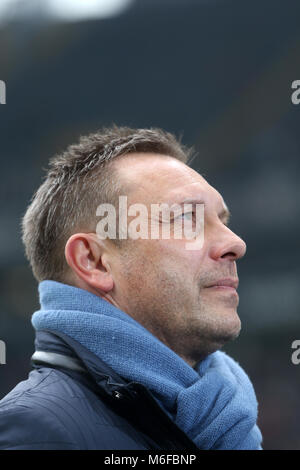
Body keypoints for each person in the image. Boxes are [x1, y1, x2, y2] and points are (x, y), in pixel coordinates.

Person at [0, 126, 263, 450]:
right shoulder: (35, 433)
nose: (235, 243)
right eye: (187, 218)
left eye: (223, 220)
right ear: (94, 261)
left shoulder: (228, 420)